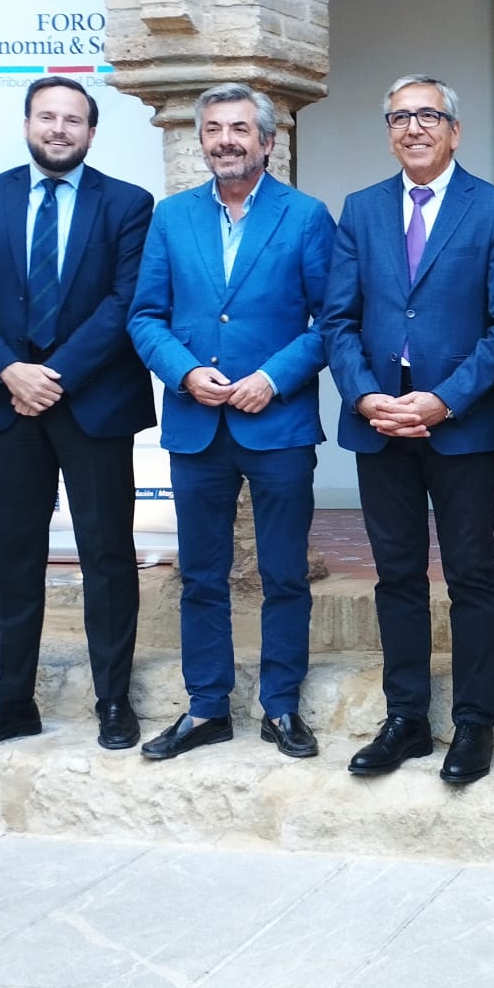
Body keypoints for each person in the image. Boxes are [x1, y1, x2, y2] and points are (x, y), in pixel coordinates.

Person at [0, 75, 155, 753]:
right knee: (12, 558)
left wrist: (52, 376)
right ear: (27, 123)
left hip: (92, 404)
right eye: (47, 117)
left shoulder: (127, 203)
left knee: (109, 556)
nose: (58, 129)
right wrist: (11, 371)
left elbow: (125, 303)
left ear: (92, 132)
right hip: (7, 405)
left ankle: (113, 701)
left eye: (73, 120)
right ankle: (11, 702)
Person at [322, 76, 494, 785]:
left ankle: (474, 723)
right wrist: (367, 396)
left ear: (454, 130)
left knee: (472, 572)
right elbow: (338, 320)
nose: (414, 127)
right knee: (396, 574)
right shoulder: (361, 209)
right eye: (400, 116)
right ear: (389, 131)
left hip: (459, 423)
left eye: (428, 115)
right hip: (381, 422)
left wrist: (444, 400)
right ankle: (405, 718)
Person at [127, 83, 335, 761]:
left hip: (276, 425)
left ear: (268, 142)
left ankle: (280, 707)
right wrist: (185, 372)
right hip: (196, 423)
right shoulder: (171, 217)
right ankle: (207, 707)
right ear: (202, 141)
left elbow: (332, 321)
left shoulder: (305, 217)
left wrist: (273, 377)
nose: (225, 140)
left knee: (283, 574)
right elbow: (145, 316)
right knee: (203, 576)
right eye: (214, 129)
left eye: (240, 129)